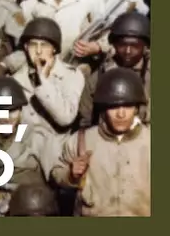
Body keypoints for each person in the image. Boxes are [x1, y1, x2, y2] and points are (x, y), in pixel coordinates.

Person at [51, 68, 150, 216]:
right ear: (103, 109)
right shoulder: (81, 141)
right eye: (114, 106)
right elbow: (57, 174)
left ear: (136, 108)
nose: (121, 114)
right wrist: (70, 175)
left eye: (128, 106)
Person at [11, 18, 84, 178]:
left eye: (44, 45)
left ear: (54, 50)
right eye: (32, 45)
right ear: (25, 47)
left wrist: (43, 82)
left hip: (58, 149)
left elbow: (65, 117)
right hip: (26, 149)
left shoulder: (71, 75)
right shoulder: (16, 80)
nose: (38, 51)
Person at [79, 12, 150, 126]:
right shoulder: (100, 75)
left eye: (134, 46)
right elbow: (86, 116)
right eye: (122, 45)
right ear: (114, 45)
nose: (128, 51)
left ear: (145, 47)